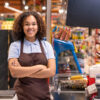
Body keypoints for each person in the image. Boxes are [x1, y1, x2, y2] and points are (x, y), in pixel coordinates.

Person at [8, 11, 56, 100]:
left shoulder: (46, 45)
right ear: (21, 27)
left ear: (38, 26)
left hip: (43, 95)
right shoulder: (15, 46)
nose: (30, 27)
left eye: (34, 24)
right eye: (26, 24)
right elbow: (14, 72)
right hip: (21, 96)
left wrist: (23, 72)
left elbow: (51, 72)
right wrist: (39, 67)